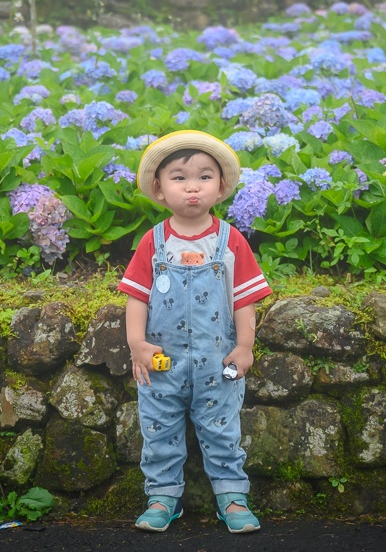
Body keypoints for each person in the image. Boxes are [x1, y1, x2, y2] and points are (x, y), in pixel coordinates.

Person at [117, 130, 272, 534]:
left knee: (222, 429)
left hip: (217, 361)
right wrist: (136, 343)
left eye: (205, 177)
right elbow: (136, 297)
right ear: (159, 188)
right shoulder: (152, 243)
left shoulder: (231, 241)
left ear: (221, 188)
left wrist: (244, 346)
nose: (192, 187)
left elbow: (243, 299)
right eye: (179, 177)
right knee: (159, 428)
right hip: (160, 362)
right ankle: (163, 496)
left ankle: (232, 496)